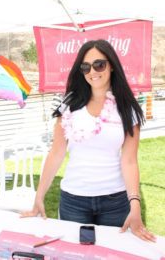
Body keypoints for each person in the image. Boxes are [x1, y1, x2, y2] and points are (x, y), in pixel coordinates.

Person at [22, 39, 155, 242]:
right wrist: (39, 196)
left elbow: (129, 161)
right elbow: (56, 152)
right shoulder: (69, 105)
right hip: (73, 200)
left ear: (111, 65)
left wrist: (135, 203)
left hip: (115, 200)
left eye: (99, 64)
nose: (92, 71)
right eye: (85, 67)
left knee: (112, 255)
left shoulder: (127, 108)